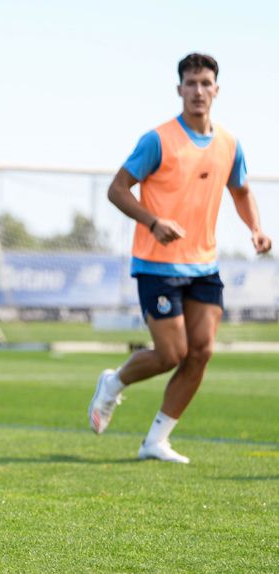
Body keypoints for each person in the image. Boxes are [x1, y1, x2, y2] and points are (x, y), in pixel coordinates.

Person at [88, 53, 271, 463]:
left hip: (204, 265)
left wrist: (255, 228)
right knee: (170, 353)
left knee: (201, 352)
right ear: (179, 90)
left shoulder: (229, 143)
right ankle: (113, 383)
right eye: (191, 83)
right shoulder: (158, 140)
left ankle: (156, 441)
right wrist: (153, 222)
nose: (199, 91)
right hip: (157, 264)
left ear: (217, 90)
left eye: (206, 83)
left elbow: (240, 191)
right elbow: (117, 189)